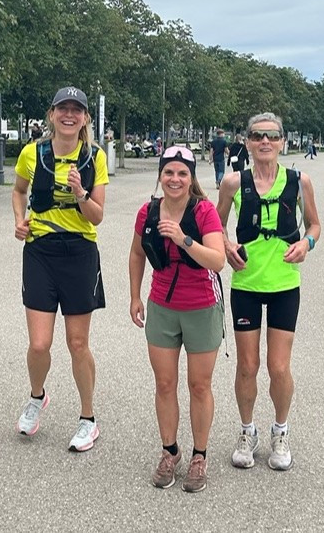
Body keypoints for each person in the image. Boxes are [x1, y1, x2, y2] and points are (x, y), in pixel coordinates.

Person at [215, 112, 321, 472]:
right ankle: (247, 431)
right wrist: (227, 246)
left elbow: (316, 225)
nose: (265, 142)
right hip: (246, 283)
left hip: (284, 285)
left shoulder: (299, 180)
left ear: (282, 142)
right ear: (247, 141)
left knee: (278, 366)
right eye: (258, 136)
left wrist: (306, 243)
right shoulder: (233, 183)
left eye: (272, 137)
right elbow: (216, 226)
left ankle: (280, 430)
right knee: (247, 365)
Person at [12, 86, 109, 452]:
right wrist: (19, 220)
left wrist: (82, 193)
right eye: (63, 109)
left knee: (78, 342)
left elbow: (97, 217)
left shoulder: (94, 157)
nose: (70, 115)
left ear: (85, 118)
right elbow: (19, 191)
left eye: (77, 110)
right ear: (52, 114)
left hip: (79, 252)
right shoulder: (31, 153)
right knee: (39, 343)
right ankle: (37, 397)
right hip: (40, 251)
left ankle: (88, 418)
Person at [129, 145, 226, 493]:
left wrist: (184, 239)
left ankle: (200, 455)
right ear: (160, 175)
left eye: (182, 173)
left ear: (191, 178)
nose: (174, 179)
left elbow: (217, 260)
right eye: (168, 172)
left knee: (199, 386)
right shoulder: (148, 211)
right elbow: (137, 252)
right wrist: (134, 296)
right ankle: (170, 450)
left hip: (200, 306)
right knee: (165, 384)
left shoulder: (204, 212)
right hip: (162, 306)